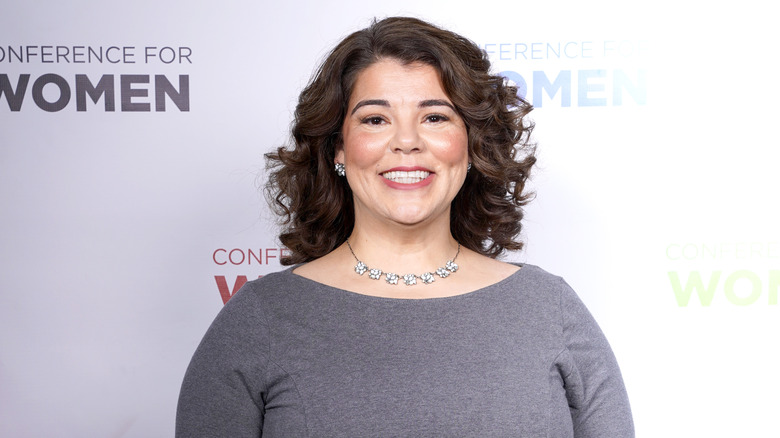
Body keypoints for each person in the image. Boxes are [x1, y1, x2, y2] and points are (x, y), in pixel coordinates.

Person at [176, 16, 634, 437]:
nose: (407, 142)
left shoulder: (548, 309)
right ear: (339, 147)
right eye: (375, 119)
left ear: (471, 144)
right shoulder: (261, 318)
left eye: (434, 117)